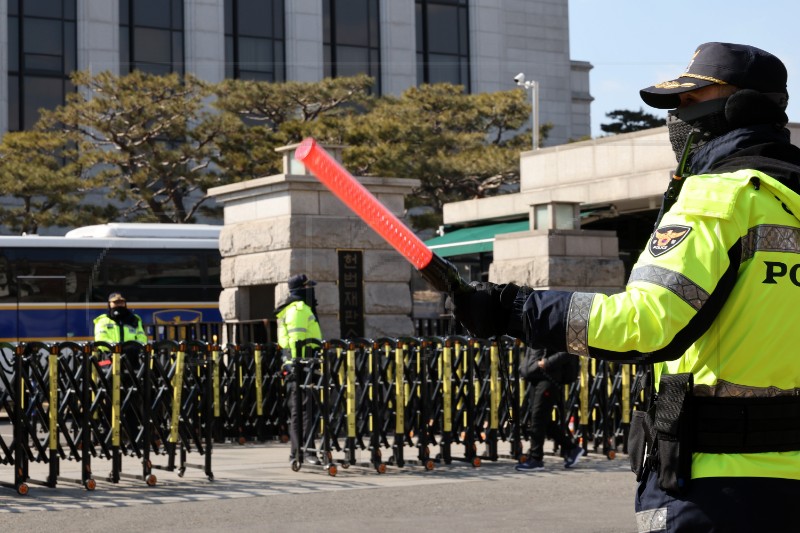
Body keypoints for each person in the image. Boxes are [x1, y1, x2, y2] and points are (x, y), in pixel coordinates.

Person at [453, 42, 800, 532]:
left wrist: (514, 310)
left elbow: (645, 323)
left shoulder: (718, 198)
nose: (677, 117)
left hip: (713, 485)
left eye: (690, 100)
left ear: (741, 105)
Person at [275, 274, 323, 465]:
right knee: (305, 410)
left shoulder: (294, 308)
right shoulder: (300, 309)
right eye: (309, 287)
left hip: (298, 365)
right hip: (303, 366)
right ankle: (306, 451)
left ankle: (298, 452)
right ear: (302, 290)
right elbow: (297, 340)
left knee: (300, 409)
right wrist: (300, 364)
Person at [516, 348, 582, 471]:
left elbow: (567, 351)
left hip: (548, 377)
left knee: (538, 417)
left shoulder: (555, 329)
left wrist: (547, 362)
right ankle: (571, 448)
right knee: (540, 419)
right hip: (535, 375)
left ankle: (536, 458)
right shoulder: (535, 329)